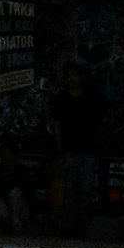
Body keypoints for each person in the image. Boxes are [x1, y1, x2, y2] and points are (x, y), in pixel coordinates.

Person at [48, 62, 107, 237]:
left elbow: (102, 121)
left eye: (75, 75)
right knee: (69, 190)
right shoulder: (62, 99)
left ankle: (80, 228)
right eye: (68, 75)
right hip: (70, 151)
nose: (71, 78)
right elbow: (56, 124)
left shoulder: (92, 98)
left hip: (88, 151)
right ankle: (66, 228)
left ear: (82, 77)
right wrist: (61, 150)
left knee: (85, 191)